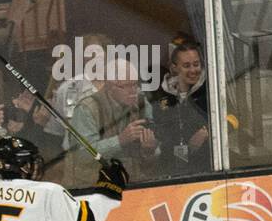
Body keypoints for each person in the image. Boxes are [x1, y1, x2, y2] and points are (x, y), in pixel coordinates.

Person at [70, 57, 160, 184]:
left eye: (135, 84)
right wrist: (120, 140)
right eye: (126, 86)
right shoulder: (87, 109)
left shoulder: (142, 104)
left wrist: (149, 150)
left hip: (136, 182)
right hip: (97, 185)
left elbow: (156, 151)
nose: (133, 91)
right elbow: (81, 154)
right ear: (109, 86)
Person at [152, 41, 211, 174]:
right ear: (174, 68)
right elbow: (157, 129)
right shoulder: (161, 96)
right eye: (186, 66)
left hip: (206, 169)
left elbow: (233, 118)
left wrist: (208, 131)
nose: (193, 70)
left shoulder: (211, 90)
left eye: (196, 64)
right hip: (170, 170)